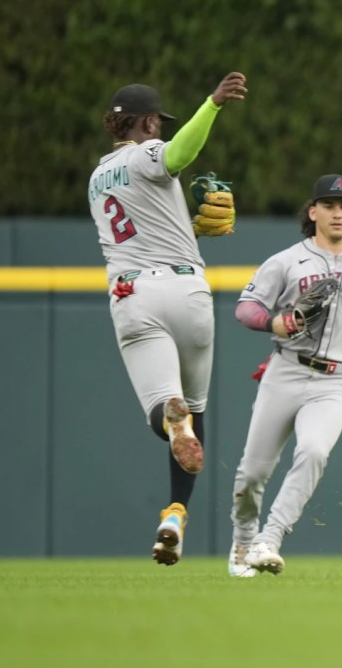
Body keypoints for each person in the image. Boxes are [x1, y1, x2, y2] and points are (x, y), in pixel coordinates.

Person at [87, 72, 247, 565]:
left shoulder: (97, 178)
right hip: (188, 289)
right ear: (148, 121)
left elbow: (145, 222)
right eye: (158, 122)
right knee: (195, 410)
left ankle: (170, 426)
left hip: (136, 294)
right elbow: (178, 155)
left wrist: (188, 226)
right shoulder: (148, 153)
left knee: (168, 412)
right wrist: (213, 106)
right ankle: (176, 511)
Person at [228, 173, 342, 577]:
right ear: (314, 211)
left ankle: (269, 539)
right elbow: (246, 308)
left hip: (333, 381)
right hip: (285, 370)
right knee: (253, 472)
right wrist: (275, 323)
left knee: (314, 452)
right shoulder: (287, 261)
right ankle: (242, 539)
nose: (337, 212)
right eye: (328, 205)